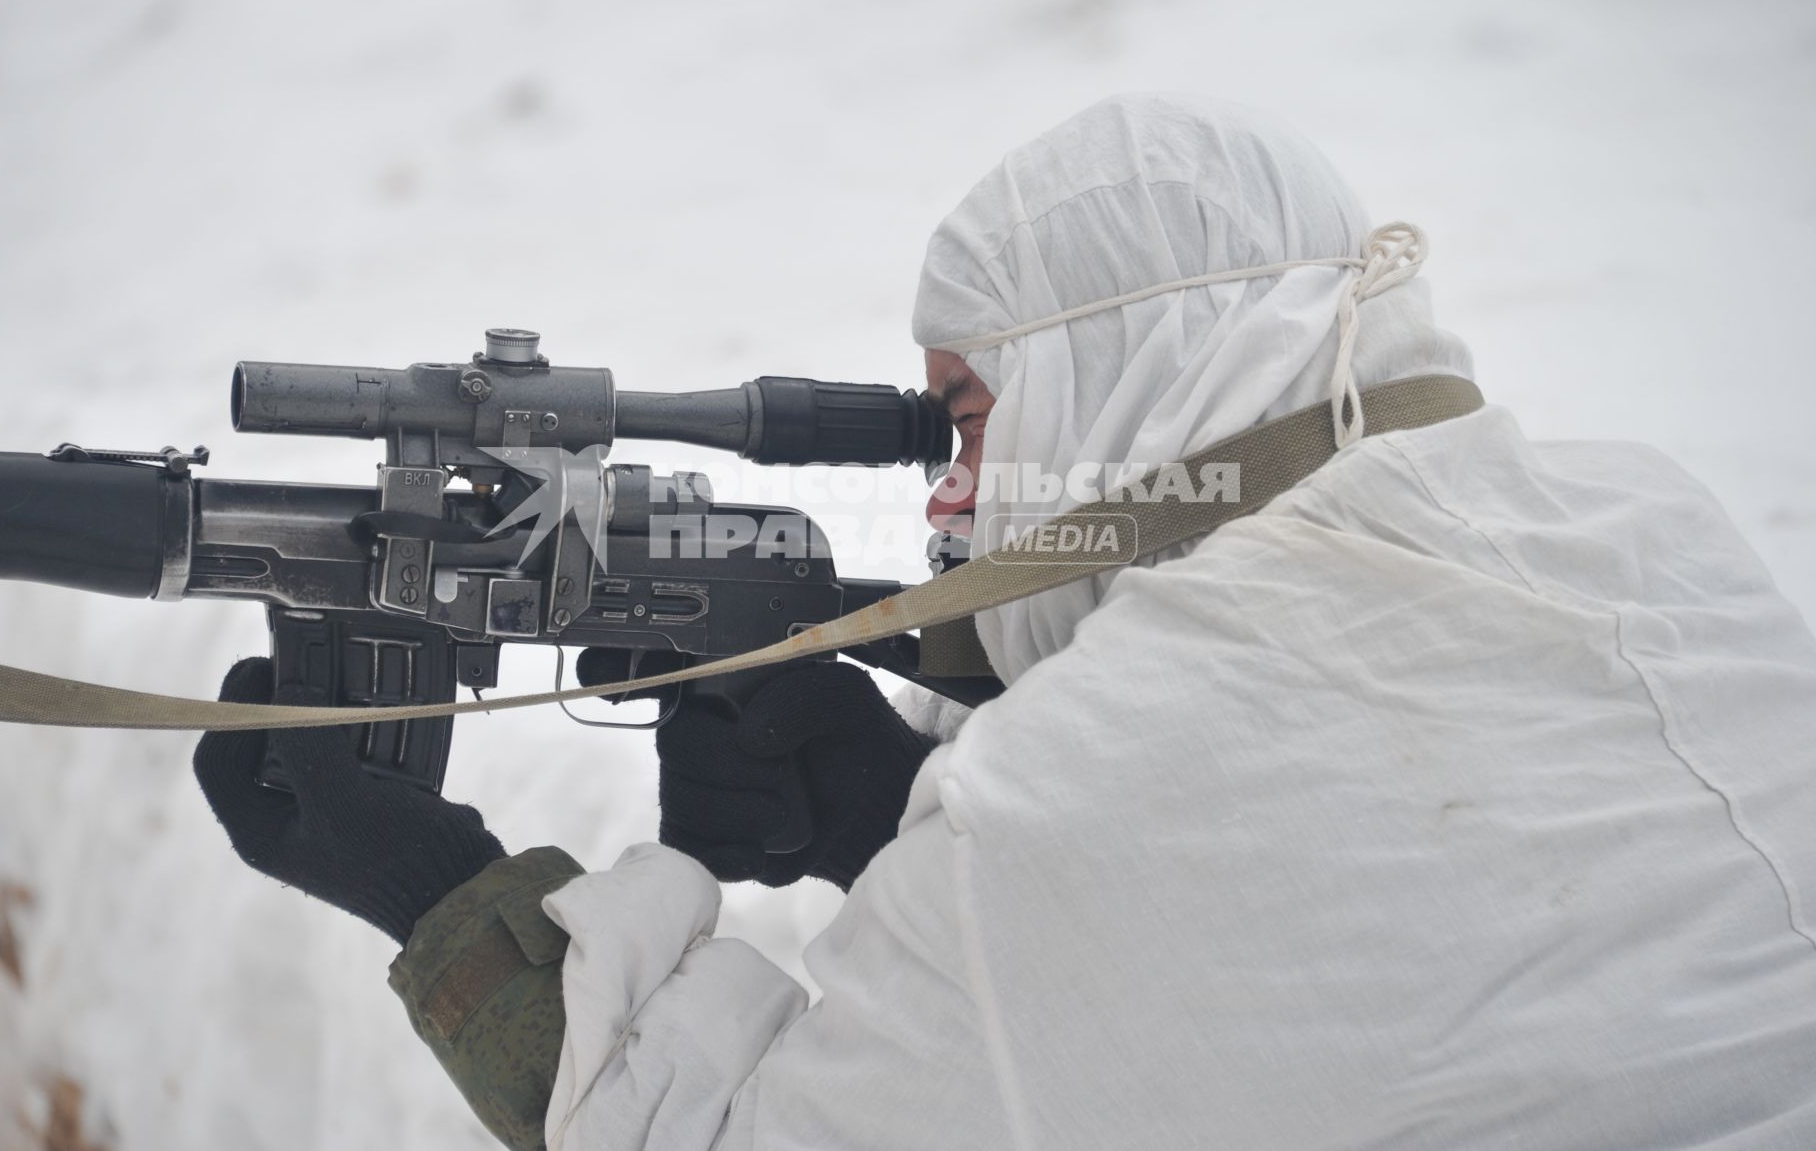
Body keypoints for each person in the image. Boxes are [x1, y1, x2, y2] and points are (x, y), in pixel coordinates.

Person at [194, 94, 1816, 1149]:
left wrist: (437, 887)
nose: (955, 504)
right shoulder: (1647, 526)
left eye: (970, 421)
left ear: (1117, 375)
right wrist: (896, 825)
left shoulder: (1098, 787)